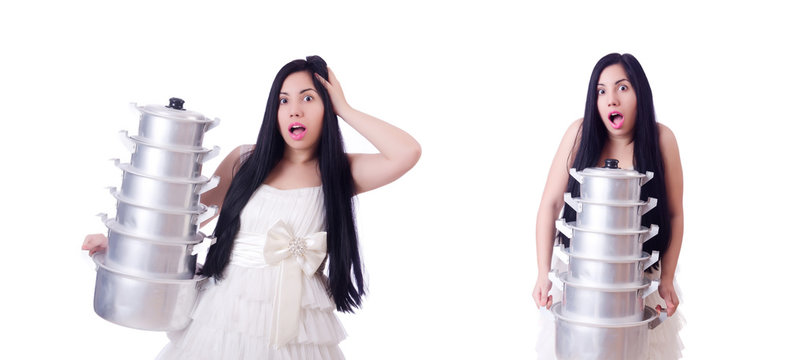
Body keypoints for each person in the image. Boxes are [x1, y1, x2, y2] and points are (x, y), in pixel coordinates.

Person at [83, 55, 421, 359]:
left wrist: (344, 107)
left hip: (299, 323)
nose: (295, 110)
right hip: (226, 312)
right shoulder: (244, 161)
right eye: (283, 100)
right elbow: (184, 223)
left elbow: (406, 152)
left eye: (309, 98)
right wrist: (121, 247)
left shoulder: (337, 172)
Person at [531, 53, 684, 359]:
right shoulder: (580, 133)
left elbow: (675, 213)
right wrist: (542, 273)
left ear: (640, 92)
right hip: (581, 281)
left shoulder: (661, 138)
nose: (611, 99)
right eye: (601, 91)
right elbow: (549, 205)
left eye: (622, 88)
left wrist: (666, 278)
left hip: (640, 282)